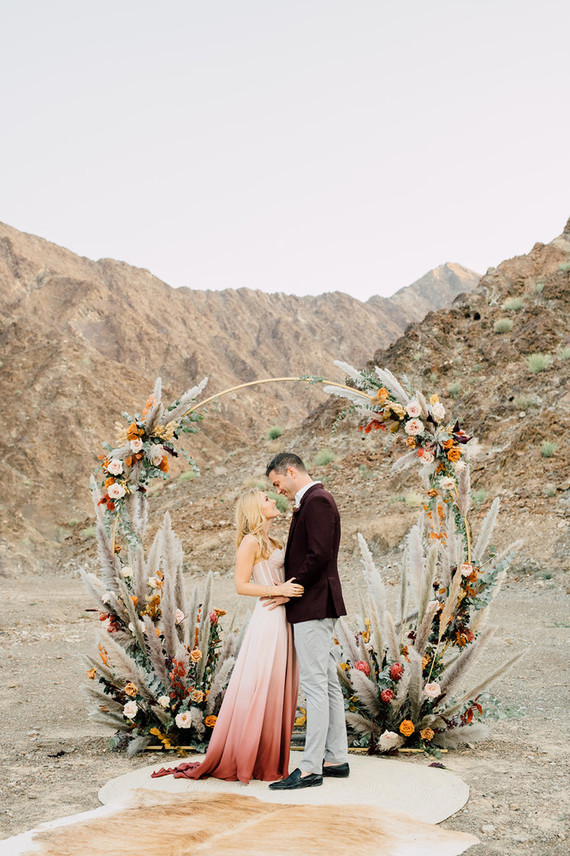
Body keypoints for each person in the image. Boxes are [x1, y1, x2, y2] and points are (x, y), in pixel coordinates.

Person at [152, 488, 301, 783]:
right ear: (255, 509)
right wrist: (278, 590)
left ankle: (268, 755)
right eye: (266, 499)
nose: (273, 500)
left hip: (285, 616)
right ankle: (250, 756)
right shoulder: (250, 542)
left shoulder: (273, 540)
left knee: (277, 685)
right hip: (269, 617)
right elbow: (241, 585)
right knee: (261, 684)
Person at [265, 452, 349, 790]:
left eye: (277, 483)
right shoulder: (314, 501)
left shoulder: (317, 501)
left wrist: (290, 590)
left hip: (313, 604)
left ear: (290, 471)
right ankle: (336, 758)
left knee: (314, 687)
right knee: (327, 683)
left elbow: (319, 556)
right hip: (315, 605)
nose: (278, 490)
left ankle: (312, 767)